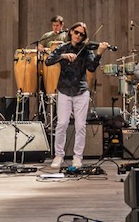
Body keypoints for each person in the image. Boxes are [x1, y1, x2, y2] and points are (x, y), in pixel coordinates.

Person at [45, 22, 109, 170]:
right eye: (76, 32)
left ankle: (77, 157)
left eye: (81, 34)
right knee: (62, 124)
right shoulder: (63, 47)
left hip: (81, 90)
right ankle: (58, 155)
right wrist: (63, 56)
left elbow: (91, 67)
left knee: (80, 126)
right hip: (64, 89)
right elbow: (48, 61)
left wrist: (99, 53)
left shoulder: (86, 50)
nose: (78, 36)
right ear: (71, 32)